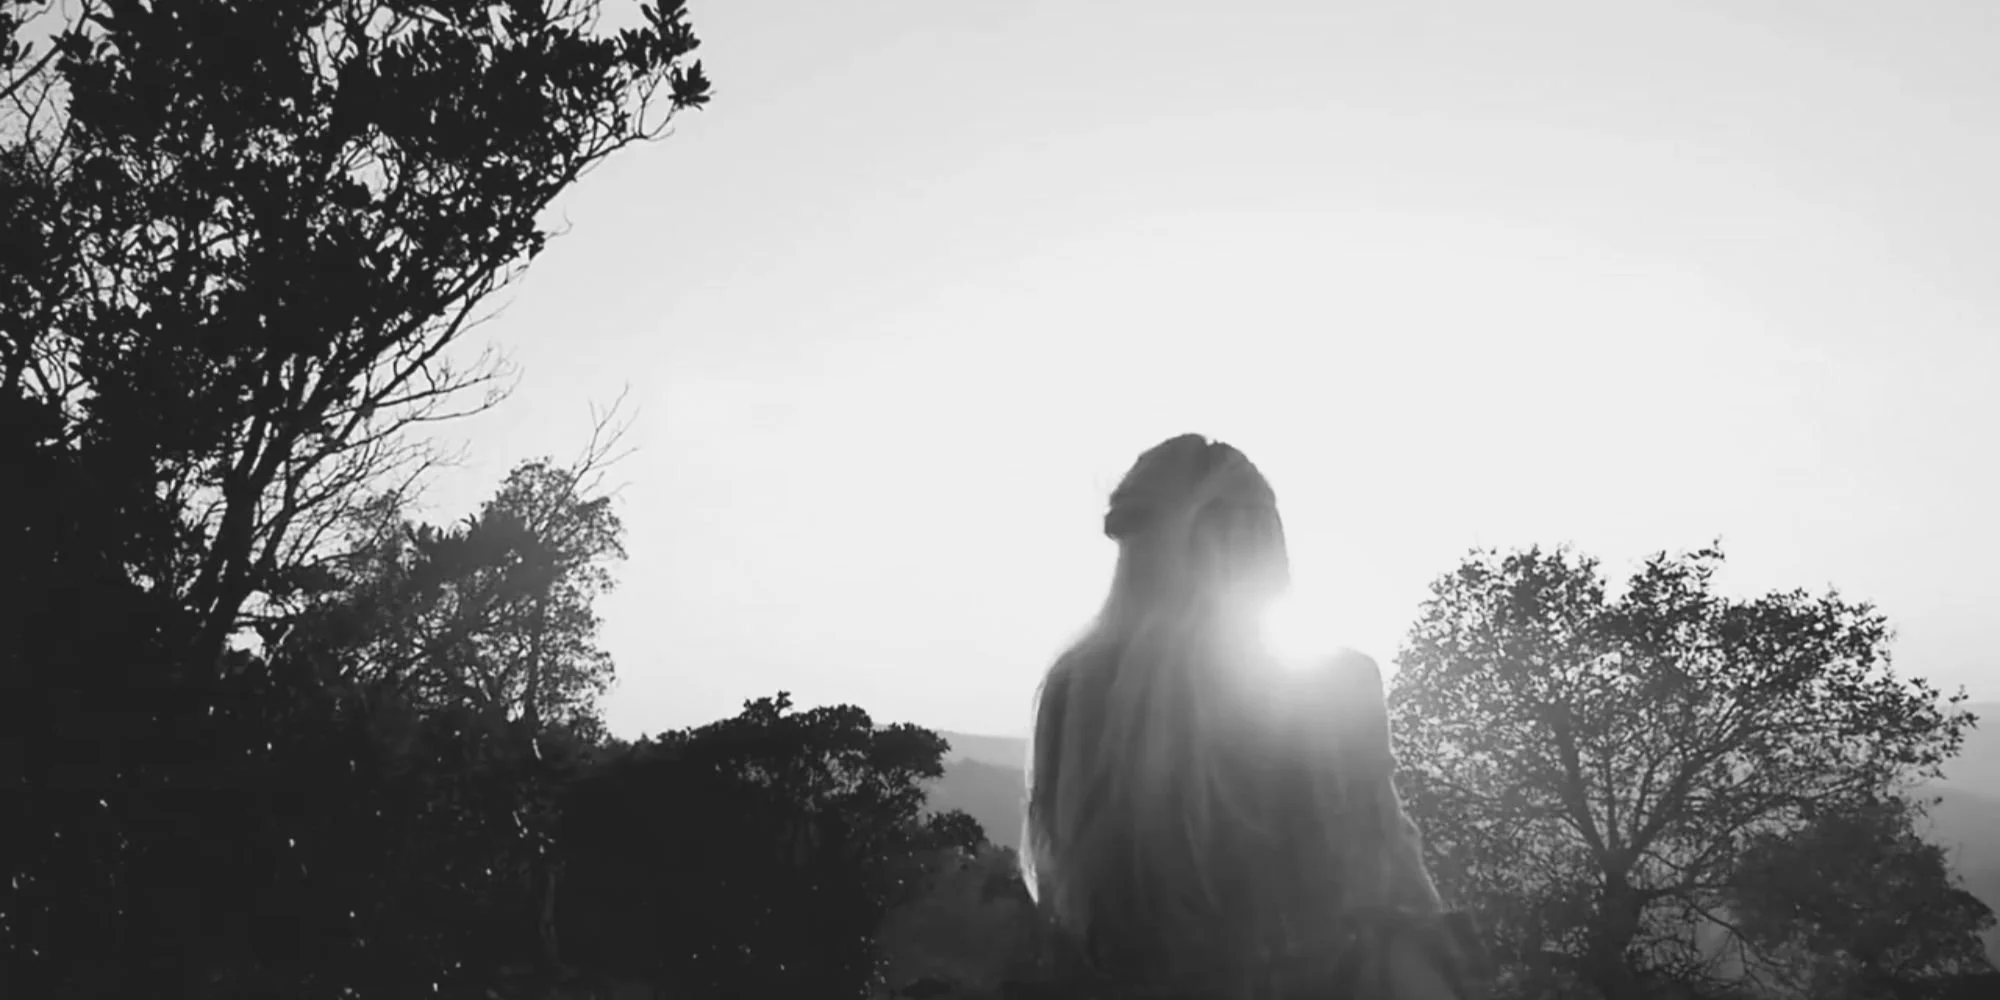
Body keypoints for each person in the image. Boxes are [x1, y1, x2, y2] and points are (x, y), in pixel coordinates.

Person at [1020, 434, 1488, 1000]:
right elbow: (1390, 874)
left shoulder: (1074, 688)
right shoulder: (1332, 685)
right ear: (1259, 539)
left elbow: (1064, 900)